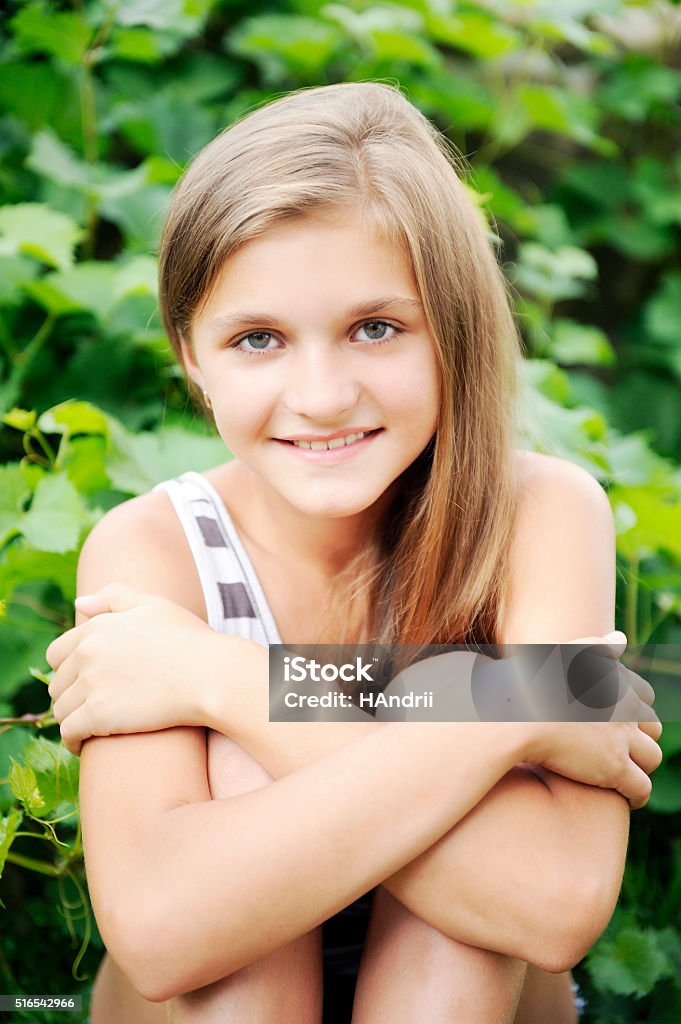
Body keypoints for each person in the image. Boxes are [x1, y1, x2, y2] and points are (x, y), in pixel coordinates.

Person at [44, 81, 662, 1024]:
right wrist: (509, 709)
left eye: (375, 328)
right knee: (242, 804)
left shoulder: (540, 512)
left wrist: (232, 683)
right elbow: (166, 933)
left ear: (451, 327)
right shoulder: (154, 546)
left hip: (457, 999)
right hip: (225, 1001)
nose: (323, 393)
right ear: (191, 358)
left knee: (456, 929)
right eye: (258, 339)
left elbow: (552, 910)